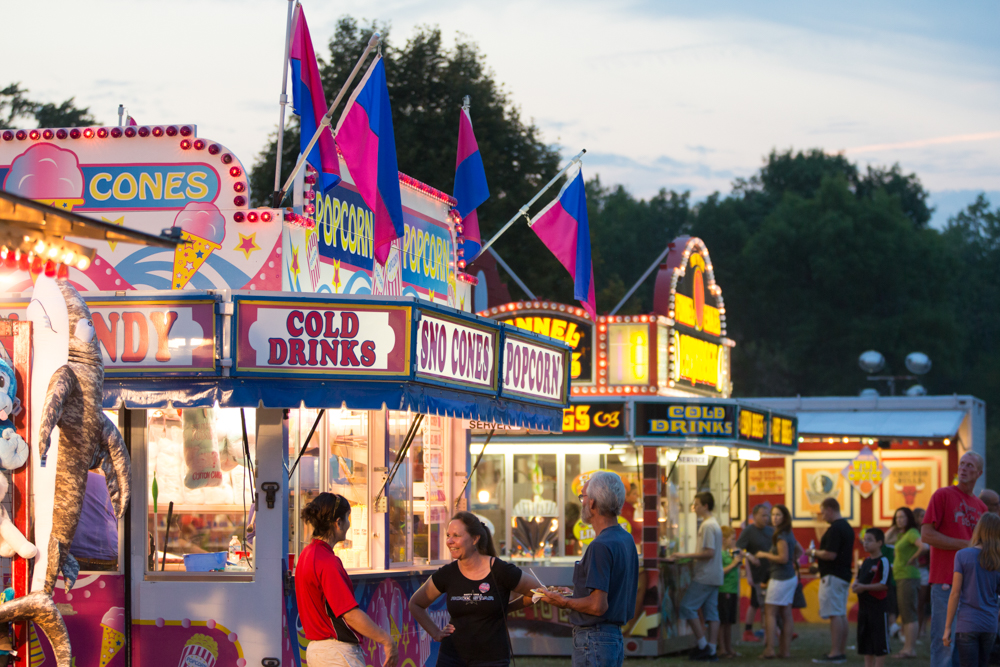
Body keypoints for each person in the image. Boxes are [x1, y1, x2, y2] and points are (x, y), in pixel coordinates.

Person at [409, 511, 541, 667]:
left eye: (456, 536)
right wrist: (435, 633)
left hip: (492, 659)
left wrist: (506, 608)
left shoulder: (500, 570)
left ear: (474, 539)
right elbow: (415, 604)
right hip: (452, 658)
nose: (449, 541)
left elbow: (537, 591)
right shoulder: (447, 573)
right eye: (448, 535)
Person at [541, 471, 639, 667]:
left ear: (592, 503)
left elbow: (597, 606)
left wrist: (563, 602)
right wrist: (575, 595)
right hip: (611, 637)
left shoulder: (600, 546)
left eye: (583, 497)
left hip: (594, 638)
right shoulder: (625, 538)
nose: (582, 503)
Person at [295, 493, 397, 667]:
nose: (349, 524)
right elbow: (349, 614)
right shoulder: (327, 562)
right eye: (347, 518)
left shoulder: (307, 555)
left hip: (317, 652)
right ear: (338, 522)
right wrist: (386, 640)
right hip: (336, 654)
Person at [922, 451, 987, 667]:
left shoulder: (981, 508)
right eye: (962, 464)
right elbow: (927, 535)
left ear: (979, 472)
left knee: (965, 646)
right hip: (945, 582)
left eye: (970, 465)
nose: (964, 468)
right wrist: (965, 544)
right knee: (944, 643)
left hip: (972, 586)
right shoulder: (942, 495)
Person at [667, 492, 724, 661]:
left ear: (705, 506)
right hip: (715, 575)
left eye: (697, 504)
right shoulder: (714, 524)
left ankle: (703, 645)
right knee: (712, 613)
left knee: (687, 606)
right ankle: (712, 650)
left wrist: (685, 555)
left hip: (705, 575)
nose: (694, 507)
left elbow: (708, 552)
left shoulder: (707, 526)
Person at [943, 512, 1000, 667]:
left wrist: (948, 627)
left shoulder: (962, 555)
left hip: (967, 623)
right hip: (990, 624)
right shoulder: (997, 559)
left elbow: (955, 594)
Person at [810, 497, 855, 664]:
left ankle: (835, 653)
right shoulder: (846, 527)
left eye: (823, 513)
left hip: (833, 576)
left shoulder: (835, 529)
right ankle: (840, 650)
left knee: (835, 614)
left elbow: (830, 554)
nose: (823, 517)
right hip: (842, 574)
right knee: (841, 613)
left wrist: (813, 553)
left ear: (830, 509)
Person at [755, 504, 796, 659]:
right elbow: (797, 550)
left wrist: (764, 555)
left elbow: (783, 558)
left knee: (770, 613)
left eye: (778, 514)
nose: (773, 518)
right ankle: (785, 651)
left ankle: (770, 649)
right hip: (789, 576)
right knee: (786, 613)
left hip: (780, 577)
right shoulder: (788, 533)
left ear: (784, 517)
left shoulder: (780, 535)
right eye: (772, 515)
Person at [854, 528, 892, 667]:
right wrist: (855, 584)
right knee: (865, 641)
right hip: (864, 608)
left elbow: (884, 584)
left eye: (870, 540)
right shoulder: (865, 561)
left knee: (879, 640)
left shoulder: (883, 561)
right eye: (865, 540)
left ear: (879, 542)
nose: (865, 543)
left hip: (878, 608)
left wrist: (863, 588)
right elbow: (858, 578)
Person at [736, 504, 774, 642]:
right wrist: (749, 556)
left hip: (772, 573)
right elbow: (735, 550)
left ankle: (772, 629)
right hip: (757, 575)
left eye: (767, 515)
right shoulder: (748, 531)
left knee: (770, 604)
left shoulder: (771, 531)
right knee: (756, 603)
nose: (766, 518)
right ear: (755, 516)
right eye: (763, 515)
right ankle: (748, 631)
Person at [890, 507, 923, 658]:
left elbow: (924, 546)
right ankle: (907, 648)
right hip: (902, 577)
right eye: (897, 517)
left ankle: (910, 649)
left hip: (908, 577)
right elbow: (885, 539)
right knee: (906, 614)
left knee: (909, 614)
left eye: (902, 517)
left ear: (909, 518)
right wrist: (894, 526)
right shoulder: (901, 535)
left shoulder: (912, 533)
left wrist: (912, 558)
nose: (899, 520)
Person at [718, 526, 743, 658]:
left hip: (732, 589)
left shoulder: (728, 553)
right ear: (723, 539)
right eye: (732, 538)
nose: (734, 541)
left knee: (729, 622)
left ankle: (728, 647)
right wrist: (733, 563)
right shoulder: (720, 554)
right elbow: (719, 572)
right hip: (724, 590)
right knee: (723, 621)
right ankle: (722, 648)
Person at [913, 507, 931, 641]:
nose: (923, 518)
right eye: (921, 516)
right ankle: (912, 630)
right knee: (912, 603)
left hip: (924, 569)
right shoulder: (911, 533)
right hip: (913, 570)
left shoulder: (928, 532)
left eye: (925, 515)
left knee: (921, 602)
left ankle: (921, 629)